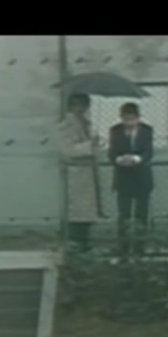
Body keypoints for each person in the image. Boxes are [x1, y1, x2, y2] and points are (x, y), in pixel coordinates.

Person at [57, 93, 102, 251]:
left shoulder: (85, 123)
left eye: (84, 105)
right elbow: (66, 150)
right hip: (75, 172)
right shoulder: (66, 125)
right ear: (71, 106)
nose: (81, 109)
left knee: (86, 209)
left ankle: (84, 241)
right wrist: (89, 145)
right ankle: (76, 242)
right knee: (77, 209)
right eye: (78, 105)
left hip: (86, 170)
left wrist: (94, 144)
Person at [108, 102, 154, 256]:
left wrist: (136, 159)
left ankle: (140, 247)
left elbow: (148, 152)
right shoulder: (115, 131)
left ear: (138, 118)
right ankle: (123, 247)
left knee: (142, 214)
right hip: (123, 178)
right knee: (124, 214)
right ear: (121, 118)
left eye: (132, 119)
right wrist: (119, 160)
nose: (129, 123)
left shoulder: (147, 130)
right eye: (126, 119)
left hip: (142, 177)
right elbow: (112, 152)